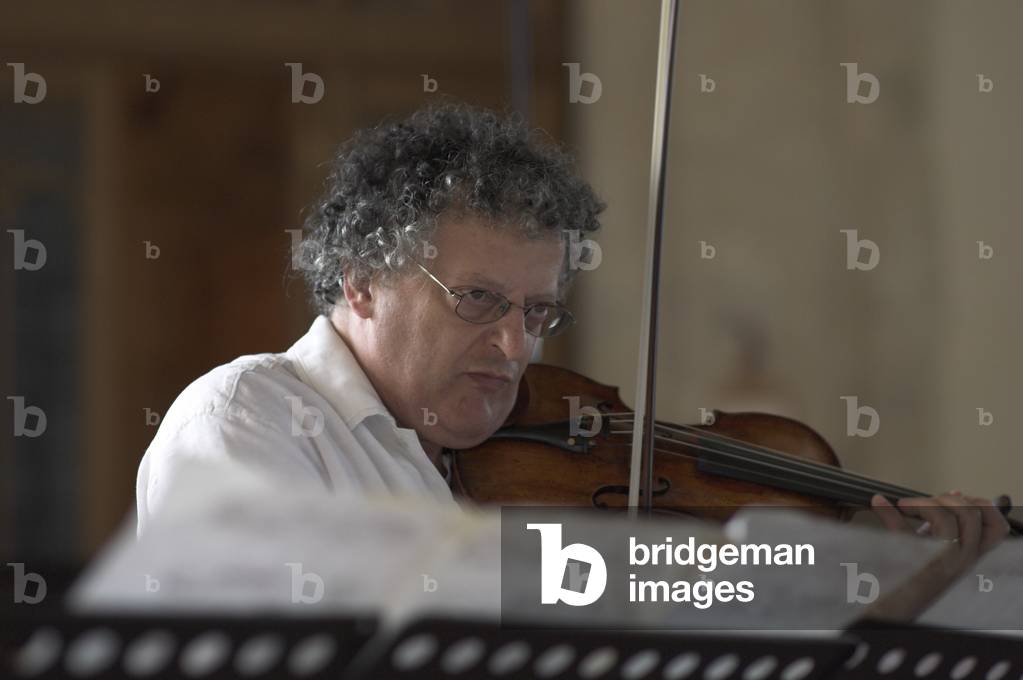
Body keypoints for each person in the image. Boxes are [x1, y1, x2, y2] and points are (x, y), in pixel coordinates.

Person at [135, 101, 1008, 561]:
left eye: (537, 312)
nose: (517, 350)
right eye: (478, 301)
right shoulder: (250, 420)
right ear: (361, 282)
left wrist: (878, 585)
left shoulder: (509, 456)